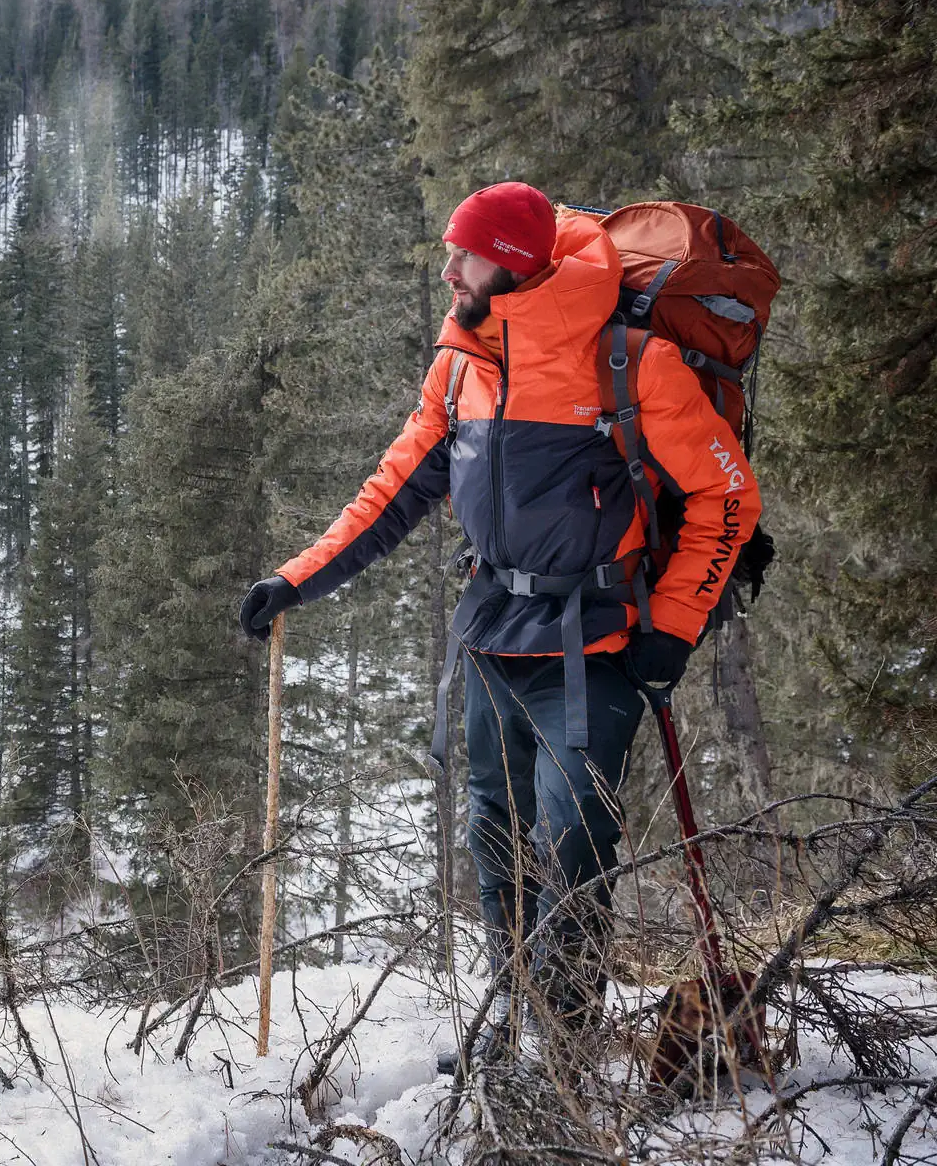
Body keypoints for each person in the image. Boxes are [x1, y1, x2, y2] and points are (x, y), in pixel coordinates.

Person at [237, 182, 762, 1062]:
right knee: (495, 836)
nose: (449, 270)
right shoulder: (461, 367)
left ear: (513, 266)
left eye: (465, 256)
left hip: (593, 642)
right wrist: (298, 579)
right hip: (490, 638)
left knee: (572, 838)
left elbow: (726, 495)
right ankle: (513, 1022)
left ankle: (559, 1037)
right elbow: (393, 492)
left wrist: (669, 631)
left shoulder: (627, 363)